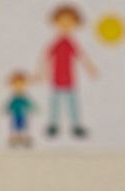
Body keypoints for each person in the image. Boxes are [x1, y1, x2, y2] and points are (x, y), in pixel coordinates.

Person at [34, 4, 98, 139]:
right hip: (56, 79)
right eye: (62, 22)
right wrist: (40, 73)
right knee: (55, 103)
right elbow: (45, 57)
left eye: (70, 23)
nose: (65, 26)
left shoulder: (71, 43)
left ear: (75, 24)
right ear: (55, 22)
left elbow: (81, 56)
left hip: (70, 79)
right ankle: (53, 125)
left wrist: (90, 68)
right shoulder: (55, 43)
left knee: (72, 103)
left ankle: (76, 126)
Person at [4, 71, 36, 147]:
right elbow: (10, 105)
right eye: (17, 85)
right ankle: (15, 139)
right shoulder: (15, 98)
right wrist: (8, 109)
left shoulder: (23, 98)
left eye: (21, 85)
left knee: (23, 126)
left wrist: (33, 108)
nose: (19, 87)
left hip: (22, 115)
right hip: (15, 115)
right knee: (15, 127)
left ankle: (23, 139)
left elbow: (29, 104)